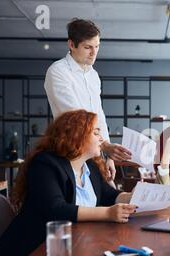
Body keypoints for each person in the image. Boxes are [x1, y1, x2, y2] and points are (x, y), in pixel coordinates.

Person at [0, 110, 137, 256]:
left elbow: (109, 195)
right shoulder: (45, 163)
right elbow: (56, 209)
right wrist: (108, 213)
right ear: (77, 135)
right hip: (36, 251)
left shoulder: (90, 166)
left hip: (75, 245)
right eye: (96, 132)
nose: (102, 139)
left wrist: (132, 196)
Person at [44, 18, 131, 181]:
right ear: (71, 45)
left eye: (97, 46)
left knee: (107, 197)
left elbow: (99, 115)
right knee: (79, 201)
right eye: (87, 47)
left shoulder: (93, 76)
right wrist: (104, 146)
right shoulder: (58, 71)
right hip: (70, 152)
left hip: (94, 150)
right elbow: (76, 117)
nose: (94, 53)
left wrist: (108, 155)